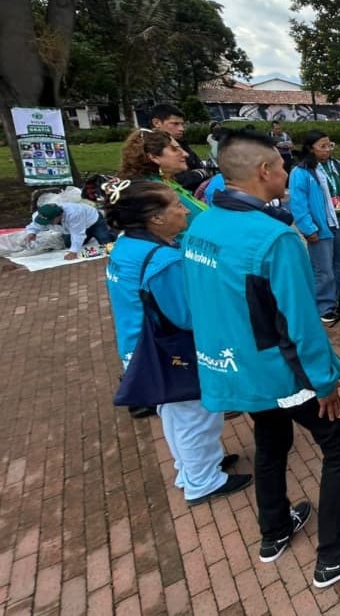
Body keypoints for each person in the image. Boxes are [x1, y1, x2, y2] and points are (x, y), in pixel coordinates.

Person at [183, 129, 340, 587]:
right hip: (282, 371)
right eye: (281, 167)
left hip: (239, 368)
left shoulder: (201, 227)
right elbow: (301, 322)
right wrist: (324, 381)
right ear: (263, 171)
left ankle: (274, 529)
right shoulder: (275, 239)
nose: (287, 175)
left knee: (271, 441)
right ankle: (334, 552)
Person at [103, 179, 251, 503]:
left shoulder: (126, 246)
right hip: (169, 350)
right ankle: (204, 482)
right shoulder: (162, 260)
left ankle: (191, 469)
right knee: (197, 415)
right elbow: (186, 315)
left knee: (174, 413)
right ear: (155, 218)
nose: (184, 209)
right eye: (175, 205)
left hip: (140, 347)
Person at [289, 130, 340, 323]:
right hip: (319, 225)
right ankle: (324, 306)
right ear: (310, 148)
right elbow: (298, 203)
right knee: (323, 269)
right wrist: (308, 228)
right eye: (322, 146)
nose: (327, 149)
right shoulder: (301, 172)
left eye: (330, 145)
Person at [118, 128, 208, 233]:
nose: (185, 154)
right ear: (154, 157)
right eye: (174, 149)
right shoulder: (154, 191)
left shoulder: (166, 182)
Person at [25, 201, 114, 260]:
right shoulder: (40, 215)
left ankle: (110, 231)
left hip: (94, 221)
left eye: (50, 221)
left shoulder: (74, 213)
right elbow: (35, 225)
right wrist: (32, 233)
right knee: (68, 243)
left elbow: (77, 234)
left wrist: (73, 252)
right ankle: (89, 234)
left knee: (108, 244)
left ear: (59, 215)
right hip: (78, 227)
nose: (48, 224)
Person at [148, 104, 208, 191]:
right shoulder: (150, 149)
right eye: (175, 124)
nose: (181, 129)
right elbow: (177, 181)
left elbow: (201, 167)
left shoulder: (183, 144)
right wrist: (200, 174)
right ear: (156, 123)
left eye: (182, 124)